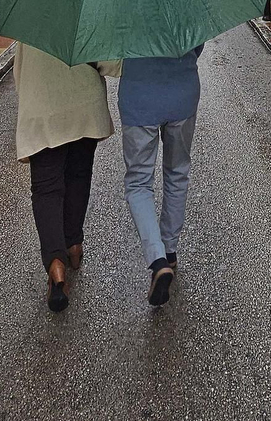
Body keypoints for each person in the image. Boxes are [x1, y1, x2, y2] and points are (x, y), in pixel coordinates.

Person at [13, 44, 121, 313]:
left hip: (42, 107)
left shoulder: (30, 19)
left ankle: (56, 265)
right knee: (78, 175)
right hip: (84, 103)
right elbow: (111, 63)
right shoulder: (87, 12)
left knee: (46, 188)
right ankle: (73, 243)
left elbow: (19, 71)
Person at [118, 45, 204, 306]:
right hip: (182, 92)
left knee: (138, 182)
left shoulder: (122, 5)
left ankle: (157, 260)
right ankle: (170, 248)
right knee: (177, 172)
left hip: (139, 95)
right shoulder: (187, 3)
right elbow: (197, 44)